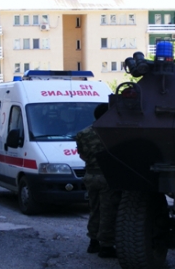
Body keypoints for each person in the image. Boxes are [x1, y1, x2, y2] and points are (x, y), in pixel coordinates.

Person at [75, 103, 122, 258]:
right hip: (107, 177)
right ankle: (107, 246)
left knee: (94, 209)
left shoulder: (83, 133)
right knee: (108, 211)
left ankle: (93, 241)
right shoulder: (113, 133)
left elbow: (81, 155)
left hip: (90, 176)